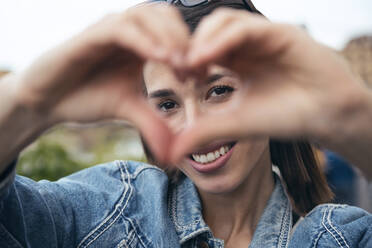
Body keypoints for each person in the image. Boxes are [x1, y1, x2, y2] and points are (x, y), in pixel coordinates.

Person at [0, 0, 371, 247]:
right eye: (167, 103)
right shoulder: (112, 207)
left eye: (220, 91)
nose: (194, 127)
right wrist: (27, 101)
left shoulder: (340, 236)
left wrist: (356, 120)